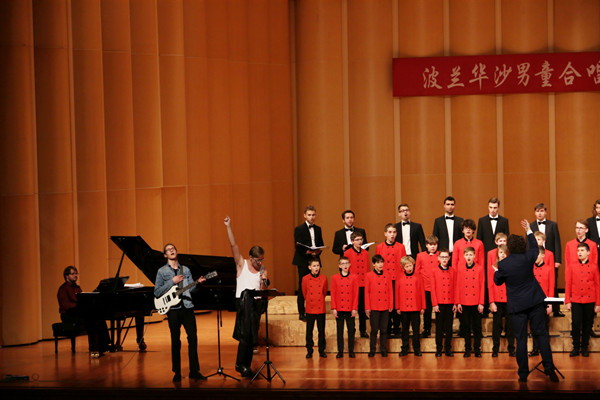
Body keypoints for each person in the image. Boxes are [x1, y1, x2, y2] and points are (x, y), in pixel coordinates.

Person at [493, 219, 558, 383]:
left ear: (509, 248)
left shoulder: (504, 264)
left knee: (521, 339)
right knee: (541, 335)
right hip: (535, 302)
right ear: (523, 246)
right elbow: (536, 248)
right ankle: (550, 368)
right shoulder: (528, 257)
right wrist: (529, 230)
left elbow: (498, 282)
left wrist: (496, 271)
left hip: (517, 307)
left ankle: (523, 374)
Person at [154, 243, 207, 382]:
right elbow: (157, 292)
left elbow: (191, 289)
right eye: (168, 250)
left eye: (173, 249)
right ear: (165, 255)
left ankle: (194, 371)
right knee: (175, 341)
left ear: (176, 252)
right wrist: (172, 281)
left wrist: (198, 283)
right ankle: (177, 372)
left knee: (193, 339)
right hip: (173, 311)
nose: (171, 251)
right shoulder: (161, 272)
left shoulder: (185, 270)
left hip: (187, 307)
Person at [224, 216, 268, 378]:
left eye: (262, 259)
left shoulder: (263, 269)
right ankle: (240, 364)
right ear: (251, 258)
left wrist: (263, 280)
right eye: (257, 260)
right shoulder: (241, 264)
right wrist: (228, 226)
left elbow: (262, 289)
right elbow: (233, 245)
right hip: (243, 303)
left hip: (255, 304)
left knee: (252, 336)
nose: (260, 263)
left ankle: (246, 365)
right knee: (245, 334)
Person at [57, 266, 110, 359]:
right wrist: (80, 305)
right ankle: (93, 348)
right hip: (68, 315)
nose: (75, 275)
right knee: (91, 320)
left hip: (77, 312)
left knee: (99, 317)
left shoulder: (77, 287)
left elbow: (82, 300)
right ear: (66, 276)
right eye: (73, 274)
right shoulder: (63, 289)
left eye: (76, 273)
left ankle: (103, 346)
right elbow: (66, 306)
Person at [564, 242, 600, 357]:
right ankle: (575, 347)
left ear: (588, 252)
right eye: (578, 250)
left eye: (582, 250)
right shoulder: (572, 266)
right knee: (575, 323)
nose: (579, 253)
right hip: (576, 299)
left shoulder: (594, 266)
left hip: (590, 299)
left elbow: (597, 285)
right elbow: (568, 284)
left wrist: (598, 303)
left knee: (587, 324)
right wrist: (567, 300)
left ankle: (584, 347)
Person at [530, 202, 563, 317]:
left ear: (545, 212)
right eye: (537, 211)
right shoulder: (531, 226)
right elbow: (528, 243)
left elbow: (557, 242)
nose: (540, 213)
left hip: (550, 258)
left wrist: (557, 260)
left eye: (542, 211)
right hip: (536, 258)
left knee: (552, 283)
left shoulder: (552, 225)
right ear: (535, 213)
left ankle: (556, 309)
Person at [293, 205, 324, 321]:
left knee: (316, 286)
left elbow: (320, 243)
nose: (312, 217)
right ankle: (302, 312)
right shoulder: (299, 229)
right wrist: (307, 251)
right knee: (303, 286)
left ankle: (315, 311)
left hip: (315, 259)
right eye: (309, 215)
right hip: (303, 260)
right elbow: (297, 246)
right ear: (305, 215)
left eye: (313, 215)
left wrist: (318, 250)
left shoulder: (318, 229)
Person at [375, 224, 406, 336]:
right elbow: (377, 264)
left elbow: (404, 263)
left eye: (394, 232)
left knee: (397, 302)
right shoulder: (379, 247)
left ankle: (397, 327)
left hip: (397, 278)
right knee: (386, 302)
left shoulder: (401, 247)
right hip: (385, 279)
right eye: (389, 232)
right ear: (385, 234)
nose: (392, 235)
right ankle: (387, 327)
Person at [455, 247, 484, 357]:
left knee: (477, 327)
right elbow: (458, 285)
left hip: (476, 301)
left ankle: (477, 349)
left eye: (471, 255)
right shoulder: (460, 268)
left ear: (474, 256)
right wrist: (458, 302)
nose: (468, 257)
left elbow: (482, 286)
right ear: (464, 256)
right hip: (464, 301)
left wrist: (481, 303)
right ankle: (467, 349)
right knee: (466, 326)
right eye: (467, 255)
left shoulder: (479, 268)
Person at [487, 241, 515, 357]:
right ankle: (495, 349)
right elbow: (490, 285)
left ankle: (511, 348)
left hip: (509, 300)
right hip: (497, 300)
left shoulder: (512, 267)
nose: (502, 255)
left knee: (510, 326)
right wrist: (492, 302)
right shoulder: (493, 267)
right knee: (497, 326)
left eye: (504, 253)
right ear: (497, 254)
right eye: (501, 252)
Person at [529, 239, 554, 357]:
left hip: (544, 301)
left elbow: (551, 286)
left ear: (543, 255)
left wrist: (550, 304)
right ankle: (535, 348)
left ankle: (545, 350)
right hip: (532, 301)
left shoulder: (549, 268)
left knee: (544, 327)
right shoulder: (530, 268)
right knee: (533, 326)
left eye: (537, 254)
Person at [396, 256, 426, 357]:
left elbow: (422, 292)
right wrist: (397, 307)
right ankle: (404, 348)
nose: (409, 268)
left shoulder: (418, 277)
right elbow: (397, 292)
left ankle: (416, 348)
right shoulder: (399, 277)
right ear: (403, 267)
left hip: (415, 307)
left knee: (416, 329)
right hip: (404, 307)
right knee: (404, 329)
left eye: (410, 265)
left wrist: (423, 306)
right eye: (407, 266)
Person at [365, 254, 394, 357]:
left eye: (382, 262)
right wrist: (367, 307)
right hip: (374, 306)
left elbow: (390, 290)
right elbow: (367, 292)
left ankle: (383, 349)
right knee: (374, 330)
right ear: (373, 264)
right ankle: (372, 349)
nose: (380, 264)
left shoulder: (387, 275)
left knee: (384, 330)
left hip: (385, 305)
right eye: (378, 262)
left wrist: (391, 304)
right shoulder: (368, 275)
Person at [331, 256, 358, 358]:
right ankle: (340, 351)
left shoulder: (354, 277)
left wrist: (354, 308)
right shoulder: (334, 278)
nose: (345, 265)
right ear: (339, 266)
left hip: (350, 308)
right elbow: (333, 294)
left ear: (350, 264)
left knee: (351, 330)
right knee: (340, 331)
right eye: (342, 264)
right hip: (339, 308)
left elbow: (355, 294)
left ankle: (351, 350)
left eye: (346, 263)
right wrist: (334, 308)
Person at [343, 231, 370, 338]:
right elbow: (346, 269)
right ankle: (352, 330)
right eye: (357, 240)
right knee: (352, 308)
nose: (360, 241)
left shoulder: (365, 253)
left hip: (363, 283)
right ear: (352, 241)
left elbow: (367, 268)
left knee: (362, 309)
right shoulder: (347, 253)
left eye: (361, 239)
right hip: (352, 284)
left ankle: (363, 330)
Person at [431, 249, 456, 357]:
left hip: (450, 302)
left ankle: (448, 348)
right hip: (439, 303)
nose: (444, 259)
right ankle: (439, 349)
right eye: (442, 257)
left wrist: (455, 303)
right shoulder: (434, 271)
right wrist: (435, 304)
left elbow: (455, 287)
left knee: (449, 327)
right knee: (439, 328)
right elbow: (433, 289)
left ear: (449, 258)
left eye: (446, 257)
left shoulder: (453, 271)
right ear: (438, 258)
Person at [303, 258, 328, 358]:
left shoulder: (324, 278)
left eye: (318, 266)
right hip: (310, 307)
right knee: (309, 331)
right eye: (314, 266)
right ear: (309, 267)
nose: (316, 268)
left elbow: (324, 292)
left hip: (320, 307)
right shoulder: (305, 279)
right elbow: (305, 292)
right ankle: (309, 350)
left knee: (321, 330)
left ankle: (322, 350)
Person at [415, 235, 439, 337]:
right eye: (430, 245)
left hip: (438, 287)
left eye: (434, 244)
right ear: (426, 245)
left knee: (439, 310)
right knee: (427, 310)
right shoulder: (420, 256)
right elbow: (417, 272)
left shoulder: (440, 255)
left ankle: (441, 329)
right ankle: (427, 329)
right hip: (426, 287)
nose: (432, 247)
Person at [432, 196, 464, 264]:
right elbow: (435, 238)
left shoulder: (460, 220)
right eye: (448, 204)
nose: (450, 206)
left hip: (457, 254)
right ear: (444, 206)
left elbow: (462, 238)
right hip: (442, 255)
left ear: (454, 206)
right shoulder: (438, 221)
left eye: (452, 204)